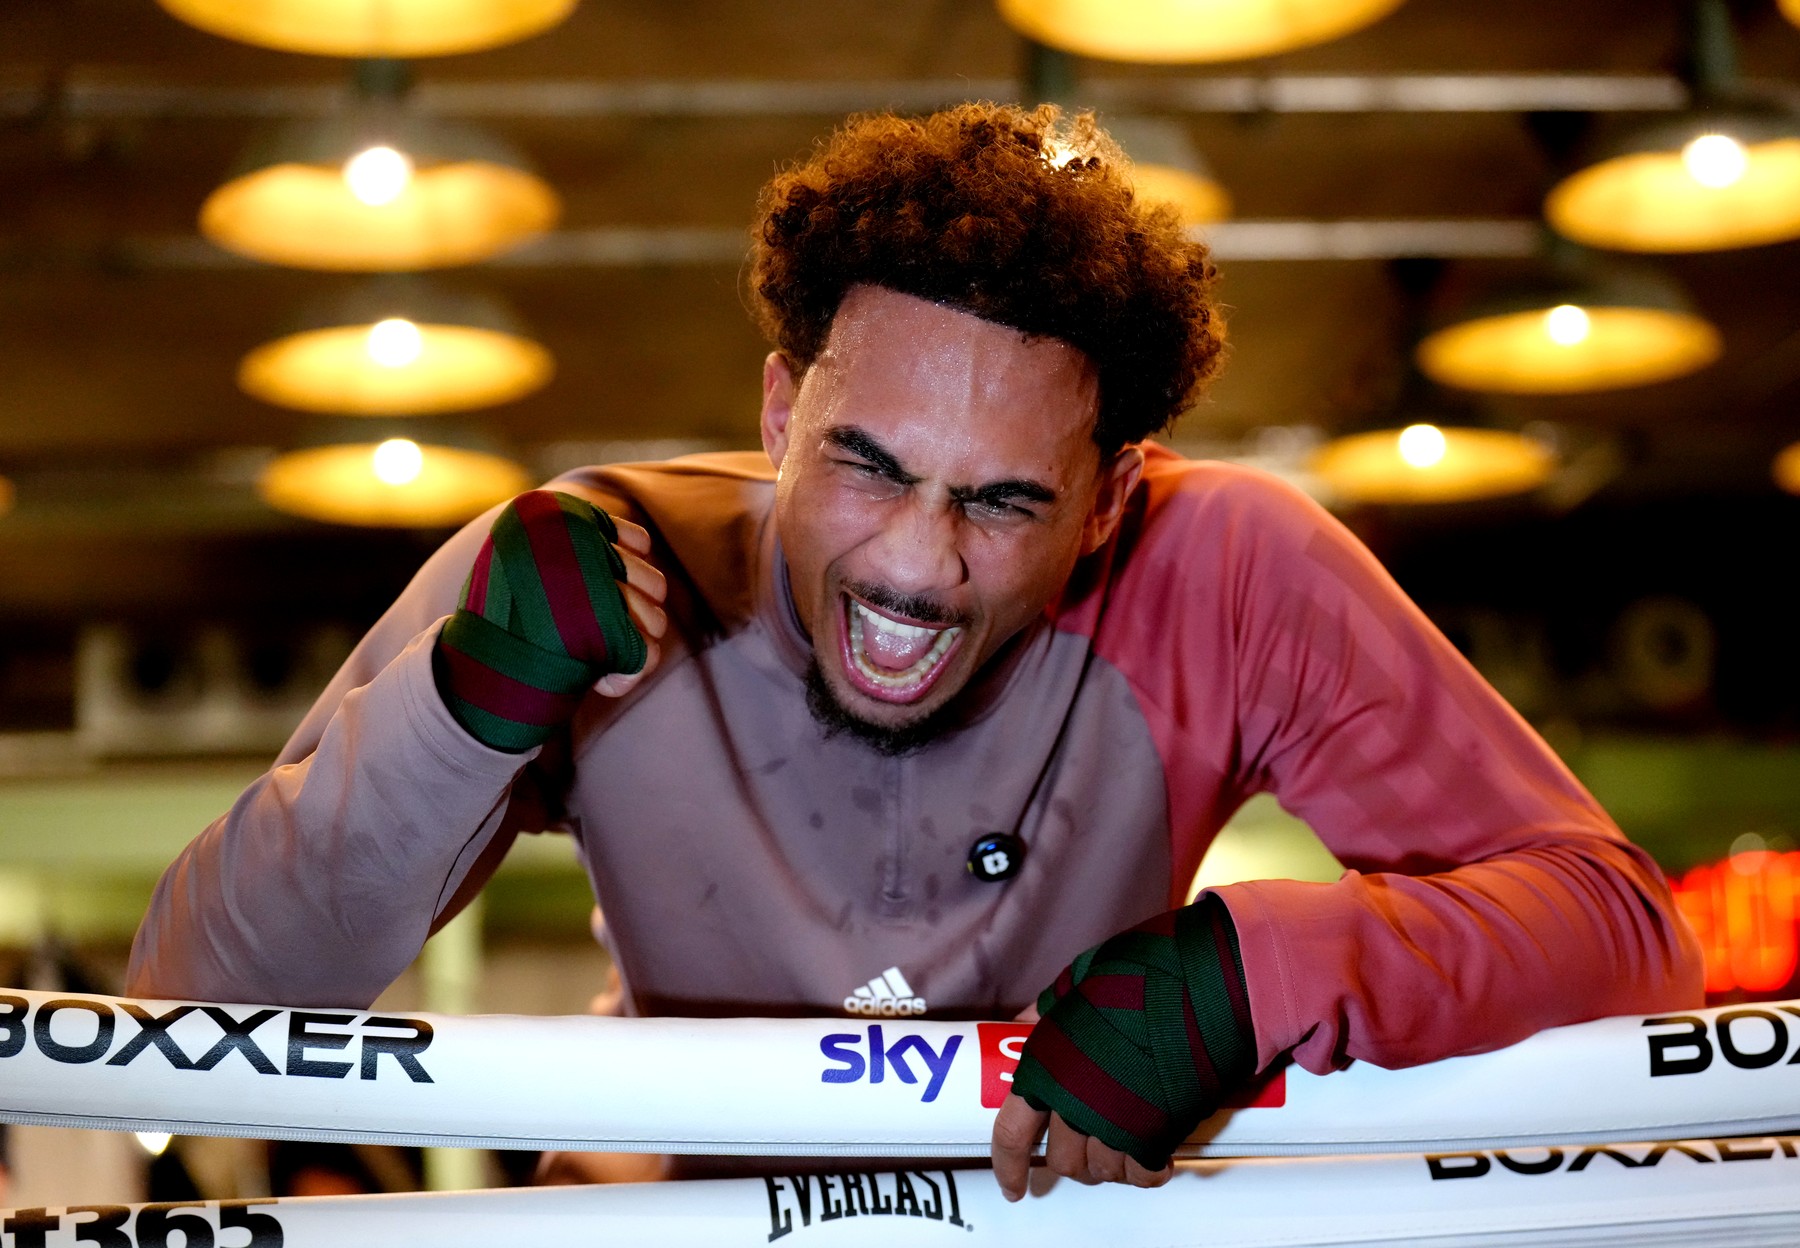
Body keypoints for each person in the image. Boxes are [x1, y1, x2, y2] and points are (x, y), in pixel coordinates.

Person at [127, 103, 1702, 1202]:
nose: (916, 564)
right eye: (867, 464)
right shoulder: (588, 556)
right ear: (775, 415)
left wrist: (1263, 966)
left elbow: (1631, 938)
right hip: (683, 1213)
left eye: (1004, 500)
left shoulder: (1227, 567)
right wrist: (459, 714)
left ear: (1106, 502)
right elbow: (189, 1011)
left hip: (1052, 1208)